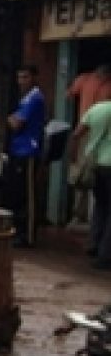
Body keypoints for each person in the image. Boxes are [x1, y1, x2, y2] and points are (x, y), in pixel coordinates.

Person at [5, 66, 46, 248]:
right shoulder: (26, 99)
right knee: (18, 193)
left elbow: (16, 123)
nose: (22, 81)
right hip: (18, 149)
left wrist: (11, 119)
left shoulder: (34, 98)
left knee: (28, 196)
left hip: (28, 150)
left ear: (34, 78)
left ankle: (28, 235)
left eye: (25, 77)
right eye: (19, 77)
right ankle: (20, 231)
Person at [74, 99, 111, 269]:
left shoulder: (96, 108)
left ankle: (94, 245)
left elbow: (77, 133)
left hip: (96, 164)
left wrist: (76, 156)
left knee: (100, 205)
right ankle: (105, 256)